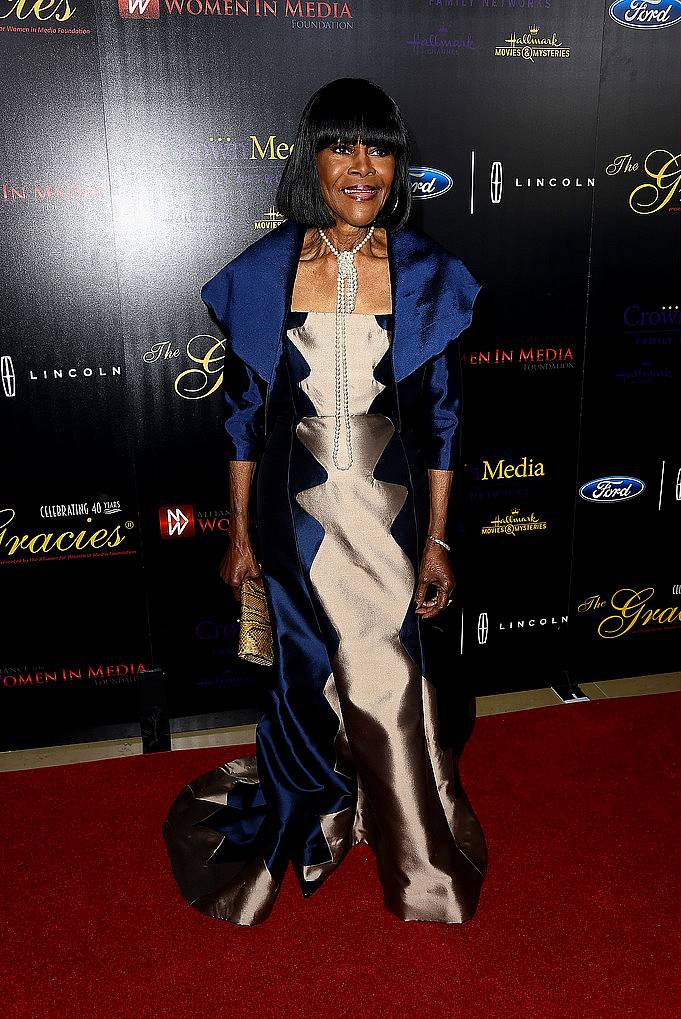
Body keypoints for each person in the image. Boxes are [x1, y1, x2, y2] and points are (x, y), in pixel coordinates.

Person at [162, 77, 488, 926]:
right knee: (304, 684)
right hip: (290, 513)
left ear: (396, 164)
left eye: (378, 148)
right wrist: (237, 531)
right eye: (342, 145)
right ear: (312, 157)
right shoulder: (266, 269)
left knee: (389, 682)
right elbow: (239, 416)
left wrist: (439, 540)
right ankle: (316, 820)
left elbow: (445, 422)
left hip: (390, 515)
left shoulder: (430, 275)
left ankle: (417, 857)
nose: (361, 166)